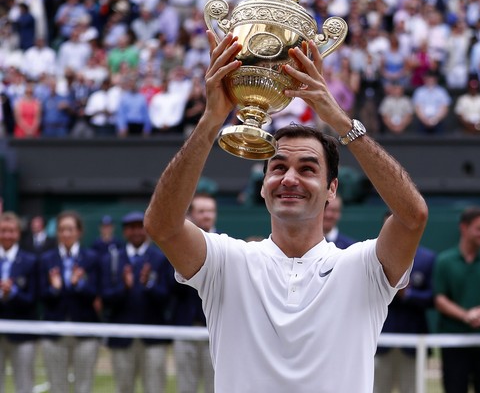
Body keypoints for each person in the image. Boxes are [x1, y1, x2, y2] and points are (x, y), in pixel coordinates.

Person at [144, 32, 428, 392]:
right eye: (277, 167)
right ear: (263, 185)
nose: (290, 178)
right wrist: (211, 121)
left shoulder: (363, 267)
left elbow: (412, 216)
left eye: (308, 169)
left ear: (332, 189)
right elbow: (162, 226)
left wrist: (340, 121)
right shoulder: (227, 261)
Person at [433, 206, 480, 393]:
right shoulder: (444, 261)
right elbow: (440, 299)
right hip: (454, 341)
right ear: (464, 228)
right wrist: (466, 316)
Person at [100, 211, 170, 393]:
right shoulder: (112, 259)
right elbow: (106, 298)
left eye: (140, 227)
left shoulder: (161, 258)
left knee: (155, 388)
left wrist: (149, 285)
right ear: (125, 232)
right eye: (131, 228)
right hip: (122, 338)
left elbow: (167, 298)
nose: (136, 232)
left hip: (153, 338)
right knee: (123, 388)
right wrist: (124, 287)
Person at [38, 210, 101, 393]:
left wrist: (78, 285)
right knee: (57, 386)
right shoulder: (46, 259)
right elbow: (41, 295)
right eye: (62, 229)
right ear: (57, 232)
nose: (66, 233)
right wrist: (55, 288)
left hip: (86, 331)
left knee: (84, 385)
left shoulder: (91, 258)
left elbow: (96, 292)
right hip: (54, 332)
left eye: (70, 229)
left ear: (79, 232)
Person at [375, 212, 435, 393]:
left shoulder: (427, 258)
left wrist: (407, 294)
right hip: (379, 339)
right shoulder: (371, 256)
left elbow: (433, 298)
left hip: (412, 340)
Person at [169, 194, 217, 393]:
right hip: (185, 327)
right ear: (191, 215)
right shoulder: (176, 247)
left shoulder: (229, 245)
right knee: (186, 386)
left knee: (214, 386)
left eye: (211, 211)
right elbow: (171, 286)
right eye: (202, 211)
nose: (207, 216)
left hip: (215, 331)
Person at [0, 212, 38, 393]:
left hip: (23, 335)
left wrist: (12, 293)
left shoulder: (30, 261)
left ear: (18, 233)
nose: (7, 235)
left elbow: (33, 299)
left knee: (24, 386)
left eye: (11, 231)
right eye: (3, 231)